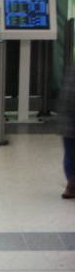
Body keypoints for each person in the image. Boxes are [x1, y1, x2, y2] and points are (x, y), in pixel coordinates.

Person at [60, 65, 75, 199]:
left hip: (68, 123)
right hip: (69, 122)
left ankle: (71, 183)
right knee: (70, 154)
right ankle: (72, 183)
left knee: (70, 155)